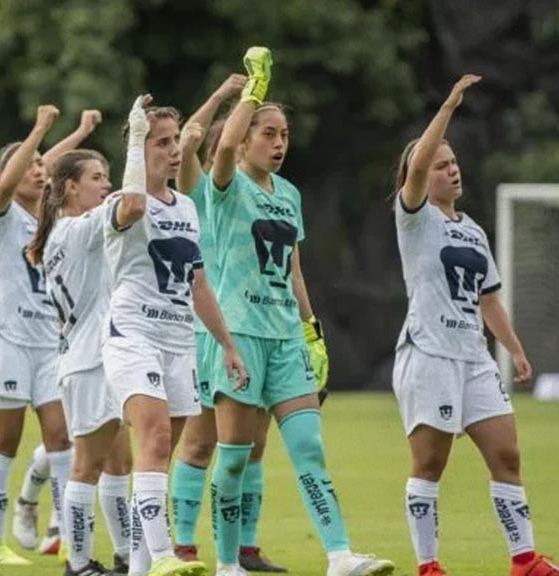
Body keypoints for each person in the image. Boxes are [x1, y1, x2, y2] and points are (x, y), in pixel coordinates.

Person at [204, 47, 392, 576]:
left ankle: (338, 555)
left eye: (283, 134)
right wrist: (252, 92)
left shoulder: (288, 194)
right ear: (244, 139)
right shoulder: (227, 186)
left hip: (285, 336)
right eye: (267, 132)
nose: (278, 142)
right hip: (240, 334)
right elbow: (217, 153)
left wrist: (312, 332)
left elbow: (295, 270)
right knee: (236, 457)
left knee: (308, 445)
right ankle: (226, 564)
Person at [392, 74, 558, 576]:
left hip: (473, 357)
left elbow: (488, 299)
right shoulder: (415, 217)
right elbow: (417, 164)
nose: (451, 170)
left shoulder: (472, 230)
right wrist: (447, 107)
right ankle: (429, 564)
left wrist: (515, 348)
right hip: (429, 353)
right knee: (430, 464)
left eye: (454, 162)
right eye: (441, 165)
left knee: (507, 454)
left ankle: (525, 559)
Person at [101, 94, 247, 576]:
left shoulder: (186, 206)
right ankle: (165, 555)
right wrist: (136, 135)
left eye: (173, 141)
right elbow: (136, 204)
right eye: (160, 142)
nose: (173, 149)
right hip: (133, 334)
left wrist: (227, 344)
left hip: (179, 340)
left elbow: (198, 283)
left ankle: (142, 569)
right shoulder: (120, 203)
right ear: (141, 149)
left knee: (159, 456)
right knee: (156, 439)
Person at [26, 147, 135, 576]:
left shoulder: (62, 233)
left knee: (118, 462)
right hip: (88, 361)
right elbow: (130, 202)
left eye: (106, 175)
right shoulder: (74, 230)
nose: (105, 183)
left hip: (91, 357)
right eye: (96, 176)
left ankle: (125, 554)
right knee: (86, 466)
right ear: (70, 187)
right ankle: (78, 562)